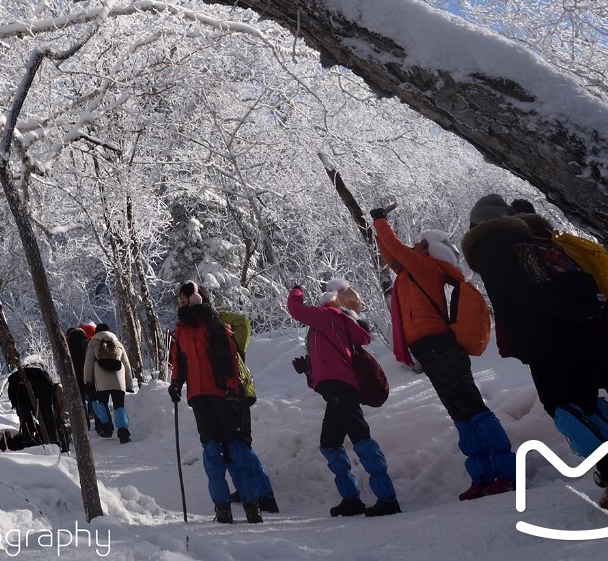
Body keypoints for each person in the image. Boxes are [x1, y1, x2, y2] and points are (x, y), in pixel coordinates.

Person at [468, 195, 608, 508]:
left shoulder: (491, 248)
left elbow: (511, 306)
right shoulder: (541, 243)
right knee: (592, 405)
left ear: (479, 224)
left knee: (565, 409)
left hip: (547, 343)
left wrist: (521, 345)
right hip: (586, 334)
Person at [371, 207, 514, 499]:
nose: (414, 247)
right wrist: (377, 230)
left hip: (440, 344)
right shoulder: (410, 273)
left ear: (430, 251)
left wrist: (381, 221)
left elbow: (396, 248)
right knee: (459, 412)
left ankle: (508, 473)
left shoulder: (428, 268)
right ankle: (483, 477)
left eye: (420, 244)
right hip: (427, 348)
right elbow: (390, 254)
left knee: (473, 408)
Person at [288, 281, 400, 517]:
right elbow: (329, 362)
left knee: (361, 438)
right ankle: (352, 499)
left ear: (332, 301)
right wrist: (309, 371)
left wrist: (296, 291)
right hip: (336, 391)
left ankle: (387, 499)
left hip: (341, 390)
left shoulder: (329, 317)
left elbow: (296, 310)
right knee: (330, 443)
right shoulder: (329, 324)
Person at [168, 280, 273, 525]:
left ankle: (251, 505)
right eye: (181, 297)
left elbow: (230, 360)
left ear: (198, 297)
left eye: (187, 296)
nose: (183, 300)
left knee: (235, 449)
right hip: (199, 397)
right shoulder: (181, 329)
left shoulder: (214, 323)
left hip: (221, 395)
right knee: (212, 450)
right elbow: (179, 361)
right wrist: (175, 384)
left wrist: (233, 391)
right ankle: (222, 507)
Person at [214, 305, 279, 514]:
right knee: (231, 445)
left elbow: (243, 321)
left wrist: (218, 315)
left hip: (239, 392)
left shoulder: (232, 336)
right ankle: (245, 488)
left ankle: (264, 493)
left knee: (242, 444)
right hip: (222, 395)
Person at [84, 321, 134, 442]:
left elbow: (88, 364)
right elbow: (126, 365)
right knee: (119, 406)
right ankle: (123, 433)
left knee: (102, 404)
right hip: (118, 380)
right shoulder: (118, 343)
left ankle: (107, 429)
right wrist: (129, 384)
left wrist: (87, 380)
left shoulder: (93, 343)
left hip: (101, 382)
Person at [2, 362, 69, 453]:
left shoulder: (16, 379)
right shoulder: (48, 382)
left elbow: (19, 407)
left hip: (20, 387)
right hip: (40, 385)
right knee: (48, 417)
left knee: (27, 420)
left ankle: (30, 443)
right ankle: (54, 444)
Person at [66, 321, 103, 437]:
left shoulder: (67, 348)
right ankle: (99, 423)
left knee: (80, 402)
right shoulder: (89, 344)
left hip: (75, 378)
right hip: (90, 376)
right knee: (95, 399)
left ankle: (84, 424)